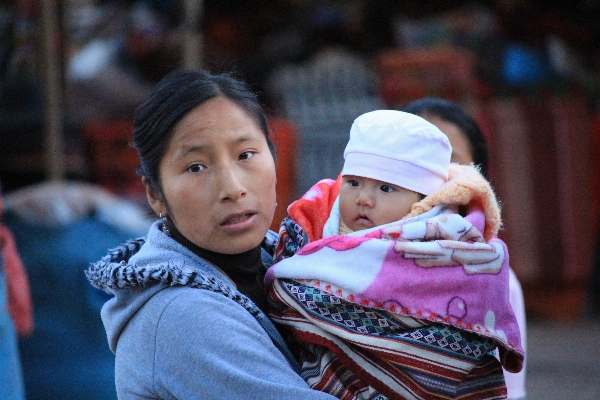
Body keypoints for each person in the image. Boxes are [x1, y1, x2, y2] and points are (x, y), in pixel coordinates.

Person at [86, 70, 337, 399]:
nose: (232, 188)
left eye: (245, 155)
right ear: (155, 194)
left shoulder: (291, 262)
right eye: (196, 167)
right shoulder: (181, 315)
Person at [266, 110, 524, 399]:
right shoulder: (315, 224)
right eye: (353, 183)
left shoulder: (449, 246)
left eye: (386, 188)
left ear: (424, 201)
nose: (363, 198)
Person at [402, 97, 527, 400]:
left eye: (450, 163)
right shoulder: (336, 256)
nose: (430, 180)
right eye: (414, 162)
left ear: (478, 184)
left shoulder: (495, 280)